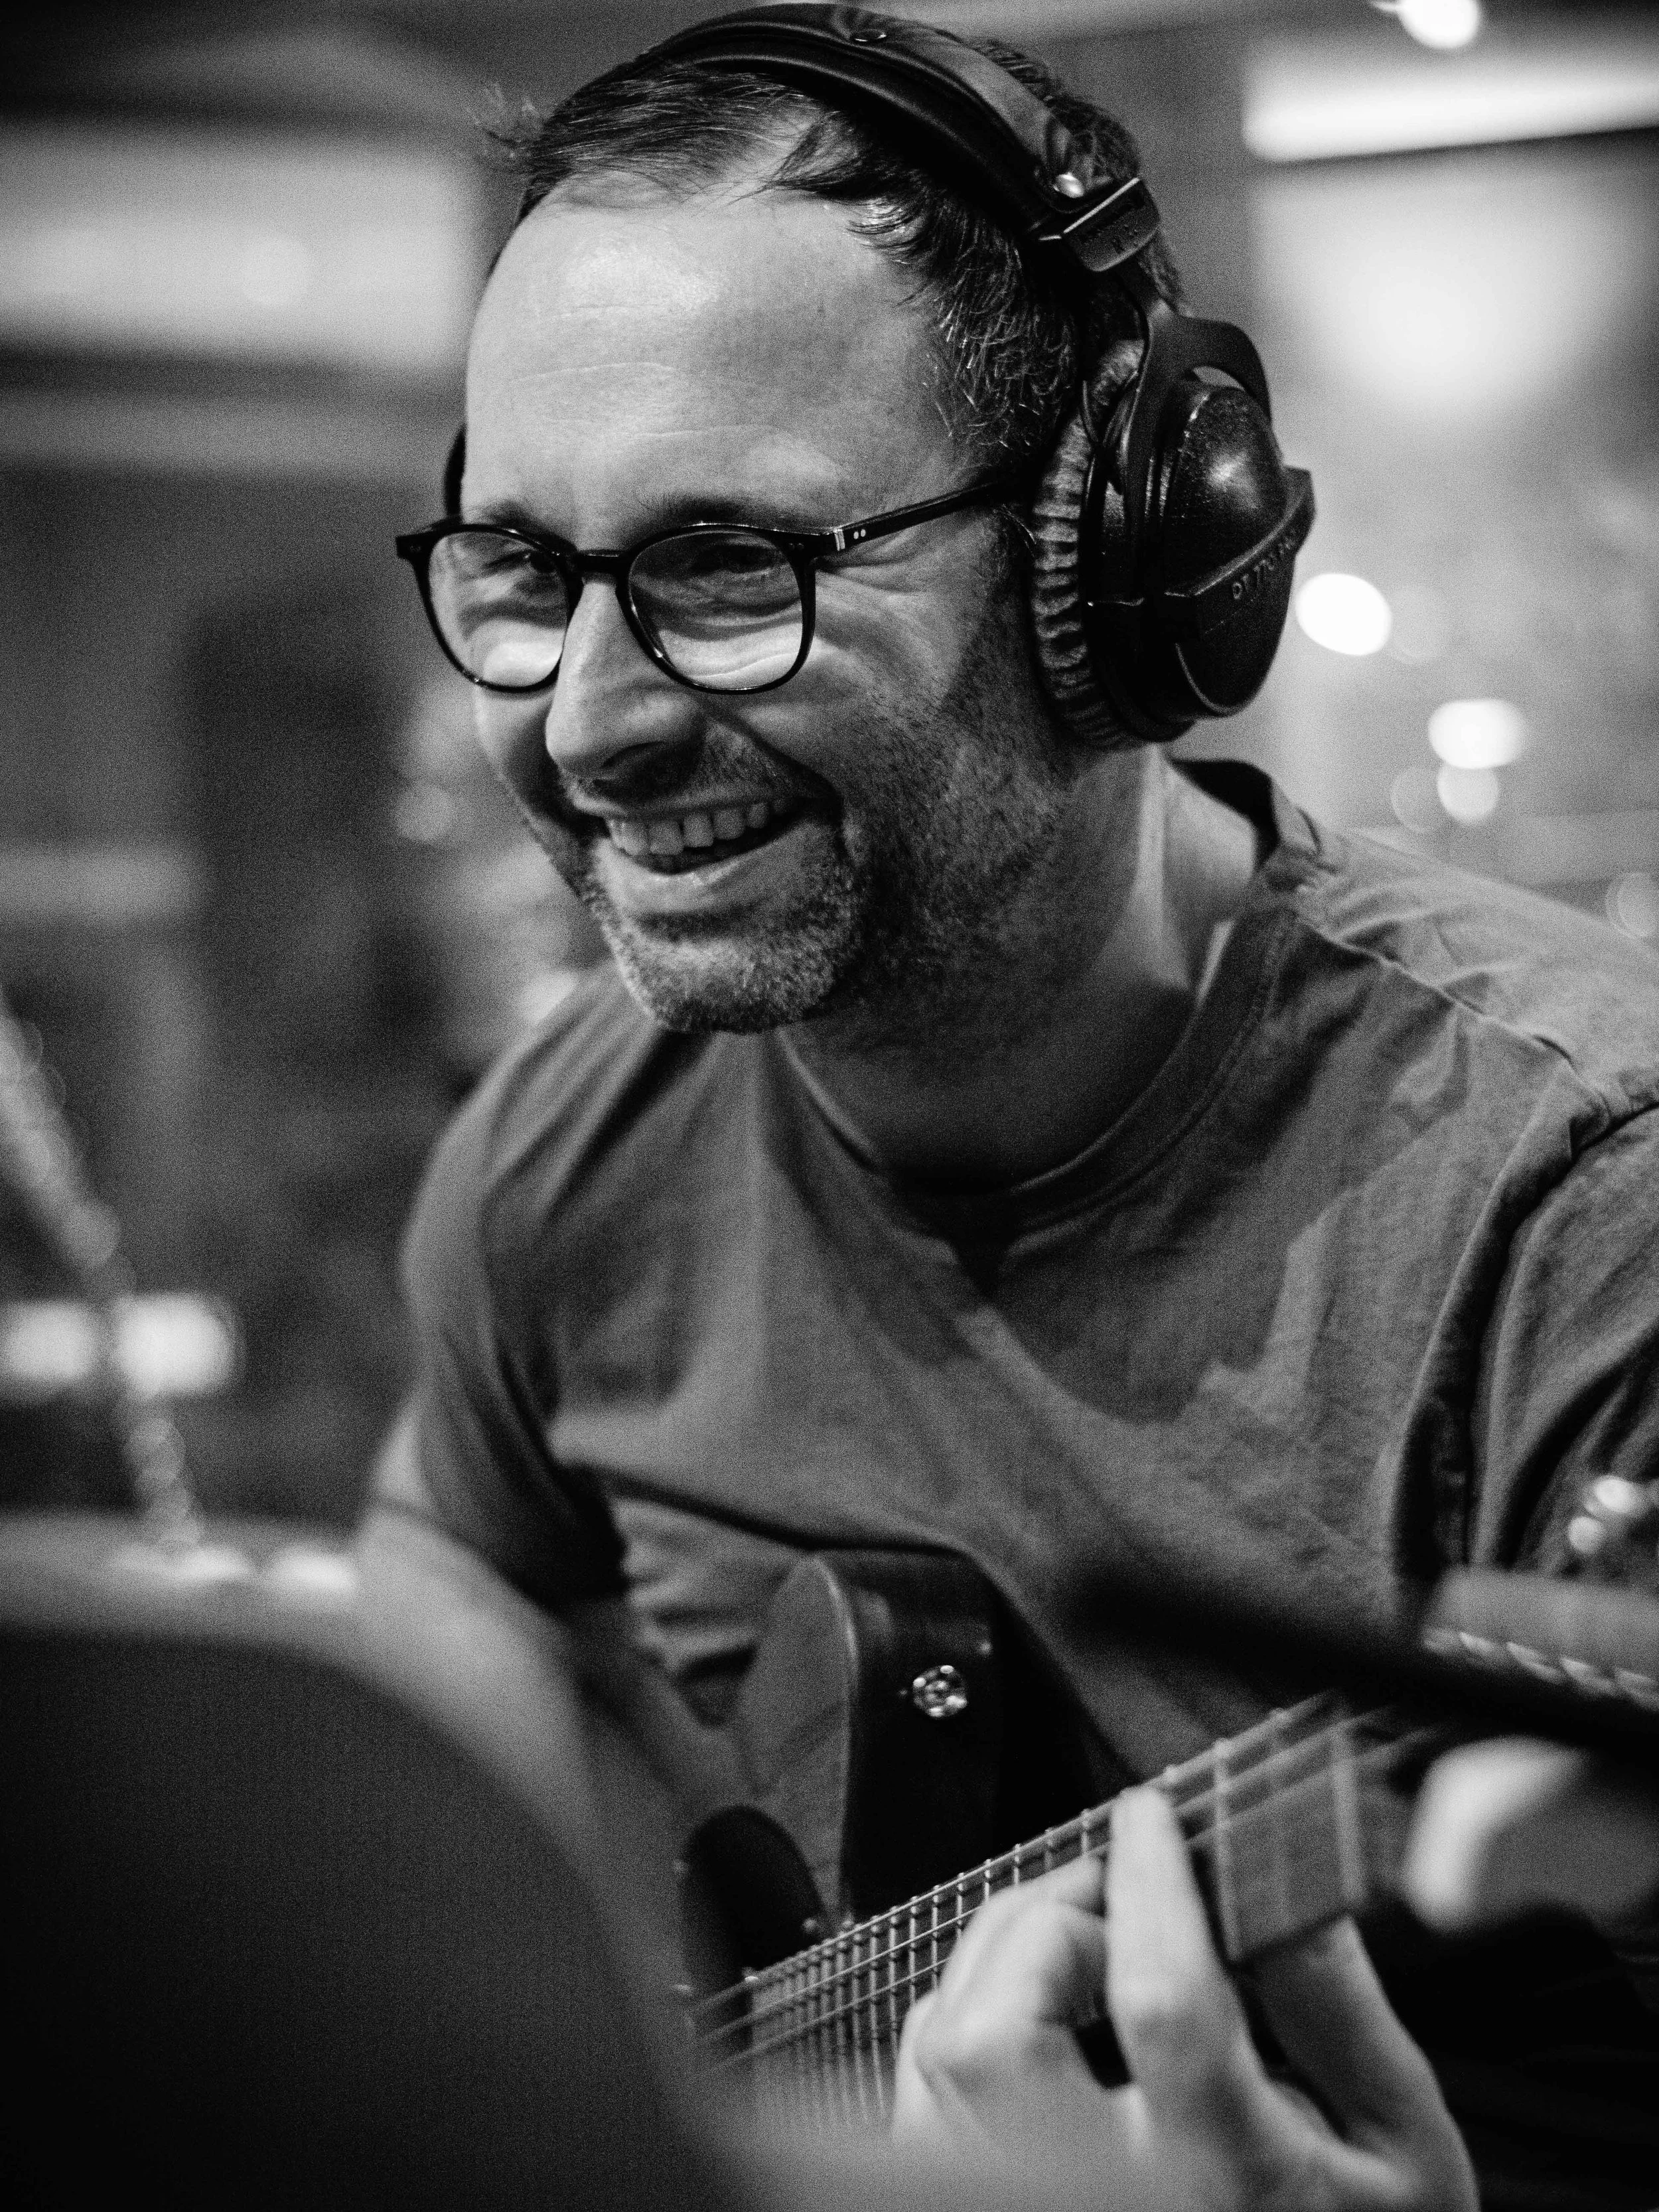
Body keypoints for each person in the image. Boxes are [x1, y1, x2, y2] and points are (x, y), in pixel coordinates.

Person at [362, 7, 1659, 2201]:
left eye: (719, 570)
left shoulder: (1578, 1208)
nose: (584, 725)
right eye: (518, 575)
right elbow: (425, 1744)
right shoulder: (568, 1150)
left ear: (1118, 569)